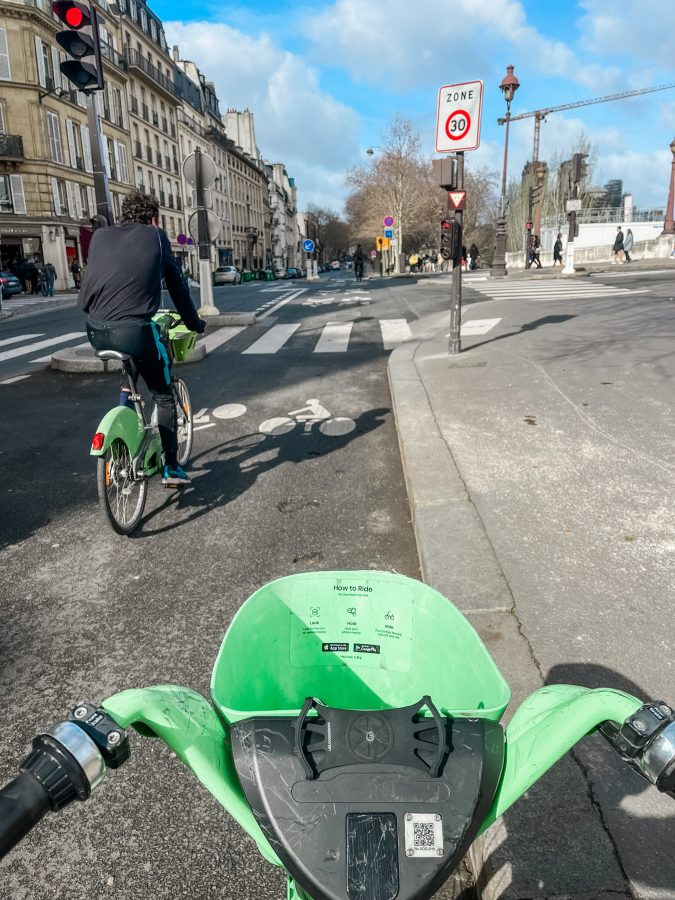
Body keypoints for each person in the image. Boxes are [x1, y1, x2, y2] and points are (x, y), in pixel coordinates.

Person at [78, 190, 205, 486]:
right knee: (162, 393)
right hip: (134, 330)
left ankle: (122, 440)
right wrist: (194, 323)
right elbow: (176, 286)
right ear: (153, 219)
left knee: (131, 372)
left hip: (96, 330)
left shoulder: (99, 238)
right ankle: (171, 467)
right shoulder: (156, 237)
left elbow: (86, 294)